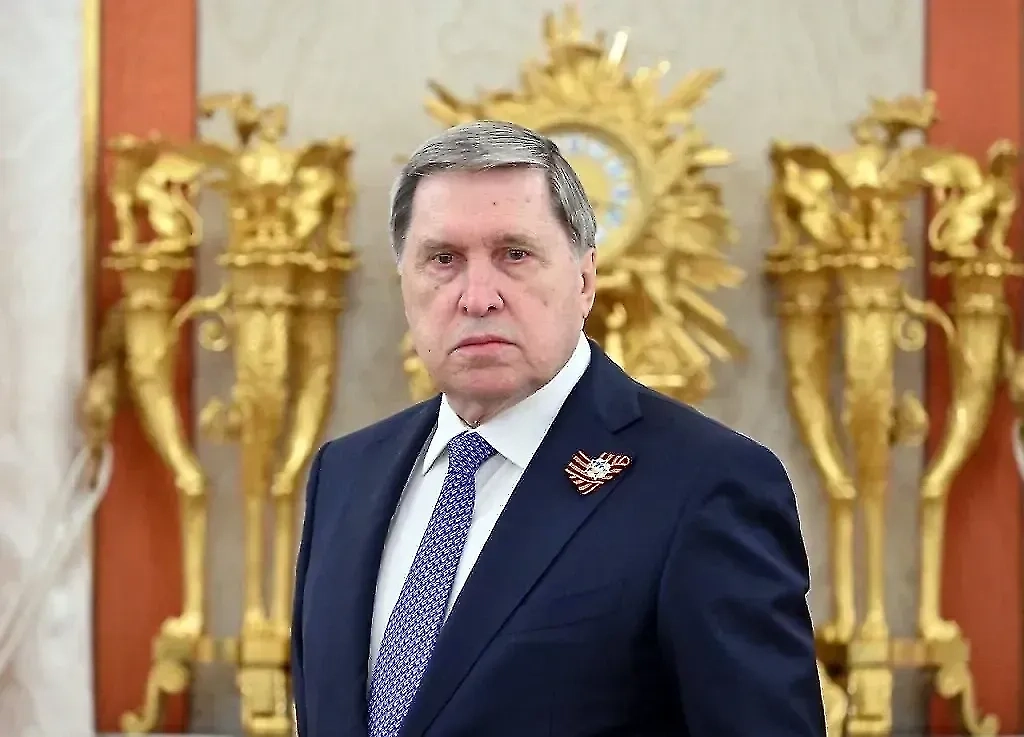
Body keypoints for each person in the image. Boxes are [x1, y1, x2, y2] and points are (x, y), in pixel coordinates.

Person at [291, 120, 826, 737]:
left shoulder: (706, 483)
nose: (477, 297)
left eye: (514, 254)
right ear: (405, 285)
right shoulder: (345, 474)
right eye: (443, 260)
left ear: (584, 280)